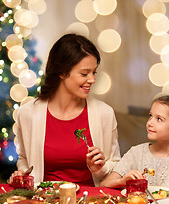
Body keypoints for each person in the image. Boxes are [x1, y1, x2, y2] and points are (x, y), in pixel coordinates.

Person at [9, 34, 121, 186]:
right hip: (44, 203)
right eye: (84, 73)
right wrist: (23, 174)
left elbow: (117, 166)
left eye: (93, 72)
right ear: (62, 72)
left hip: (89, 202)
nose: (92, 80)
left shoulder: (104, 113)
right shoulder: (28, 113)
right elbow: (24, 159)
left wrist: (99, 168)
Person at [100, 95, 169, 197]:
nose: (149, 123)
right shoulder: (136, 153)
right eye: (150, 116)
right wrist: (122, 181)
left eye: (159, 119)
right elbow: (104, 184)